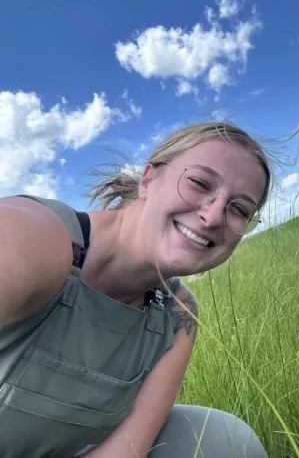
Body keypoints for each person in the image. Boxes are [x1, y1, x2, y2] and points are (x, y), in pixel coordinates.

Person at [0, 122, 271, 457]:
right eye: (200, 183)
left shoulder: (177, 316)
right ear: (148, 179)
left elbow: (126, 450)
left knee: (222, 441)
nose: (214, 216)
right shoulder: (29, 238)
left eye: (240, 209)